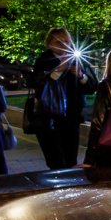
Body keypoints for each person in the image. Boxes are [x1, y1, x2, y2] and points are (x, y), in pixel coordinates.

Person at [29, 28, 96, 170]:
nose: (63, 45)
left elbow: (91, 87)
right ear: (49, 44)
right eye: (58, 42)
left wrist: (81, 76)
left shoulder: (77, 60)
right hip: (49, 117)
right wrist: (59, 70)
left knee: (70, 157)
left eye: (66, 42)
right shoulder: (44, 60)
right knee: (55, 159)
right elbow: (39, 84)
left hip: (72, 116)